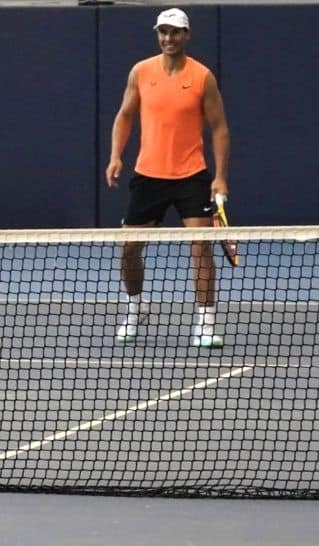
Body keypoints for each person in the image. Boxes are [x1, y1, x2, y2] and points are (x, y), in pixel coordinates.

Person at [105, 7, 231, 348]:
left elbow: (219, 129)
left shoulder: (202, 77)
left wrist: (220, 178)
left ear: (186, 35)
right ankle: (134, 308)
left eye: (175, 32)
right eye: (163, 32)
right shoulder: (141, 72)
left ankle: (205, 324)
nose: (168, 38)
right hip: (149, 177)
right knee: (129, 250)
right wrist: (116, 155)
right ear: (158, 34)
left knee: (201, 249)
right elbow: (125, 115)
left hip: (192, 177)